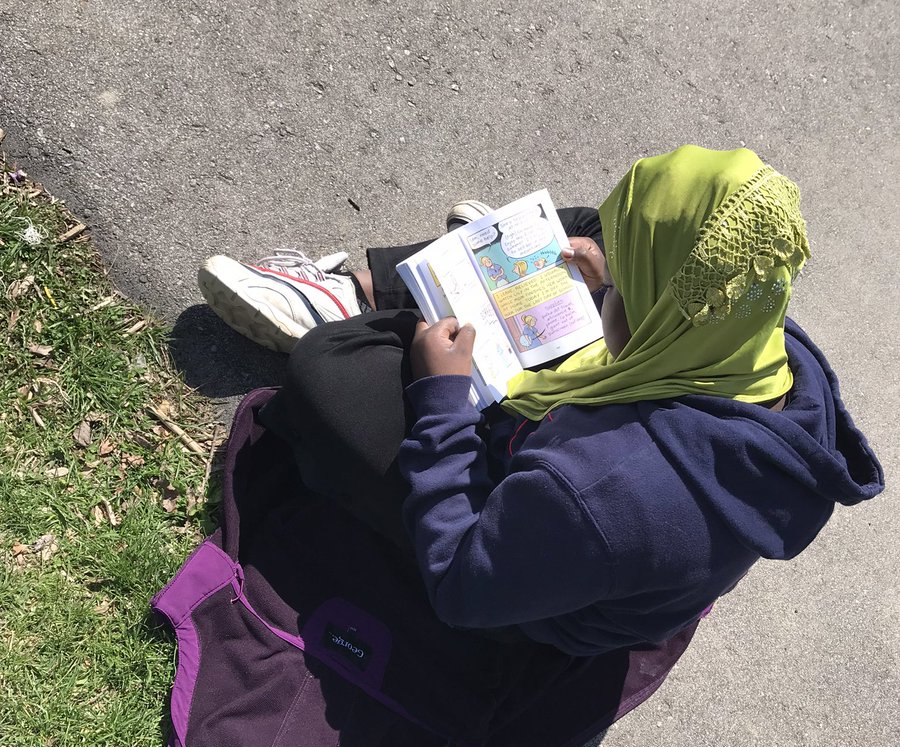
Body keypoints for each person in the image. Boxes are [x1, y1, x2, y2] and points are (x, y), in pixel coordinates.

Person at [198, 146, 883, 656]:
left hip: (520, 571)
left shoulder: (603, 490)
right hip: (600, 481)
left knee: (334, 370)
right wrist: (609, 283)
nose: (610, 287)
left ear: (656, 320)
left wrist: (443, 399)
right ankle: (386, 287)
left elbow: (462, 579)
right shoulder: (758, 338)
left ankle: (377, 305)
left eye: (625, 290)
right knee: (584, 231)